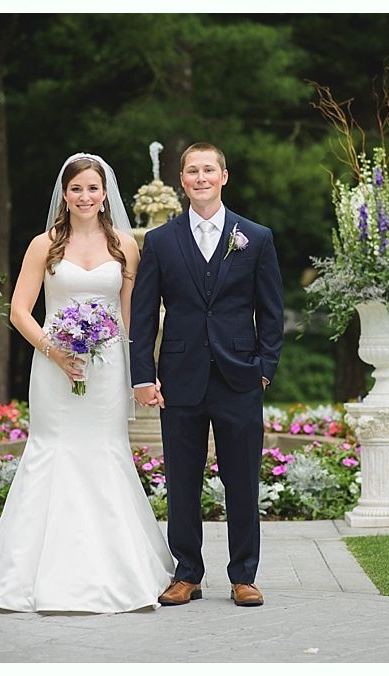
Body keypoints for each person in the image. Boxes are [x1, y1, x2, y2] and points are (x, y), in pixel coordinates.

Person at [0, 154, 174, 613]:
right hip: (53, 366)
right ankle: (27, 575)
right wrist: (53, 349)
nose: (85, 197)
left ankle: (119, 572)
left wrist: (142, 372)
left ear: (105, 194)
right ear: (65, 193)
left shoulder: (124, 246)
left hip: (106, 370)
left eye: (93, 189)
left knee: (105, 450)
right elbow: (19, 310)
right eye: (76, 189)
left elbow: (132, 316)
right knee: (50, 450)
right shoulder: (45, 244)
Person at [130, 142, 284, 607]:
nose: (201, 178)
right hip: (180, 376)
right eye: (192, 171)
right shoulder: (159, 241)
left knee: (241, 479)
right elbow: (141, 316)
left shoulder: (254, 237)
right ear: (181, 180)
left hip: (240, 376)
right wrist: (143, 375)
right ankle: (187, 573)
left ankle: (244, 576)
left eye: (209, 170)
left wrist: (264, 370)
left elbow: (271, 312)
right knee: (181, 479)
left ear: (224, 176)